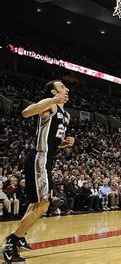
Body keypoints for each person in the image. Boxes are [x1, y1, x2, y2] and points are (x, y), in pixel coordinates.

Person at [2, 80, 73, 262]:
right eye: (62, 86)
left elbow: (51, 138)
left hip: (47, 160)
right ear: (53, 91)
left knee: (36, 205)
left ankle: (18, 235)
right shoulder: (49, 106)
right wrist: (52, 100)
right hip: (38, 158)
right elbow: (26, 112)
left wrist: (63, 143)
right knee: (43, 205)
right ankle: (12, 242)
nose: (67, 89)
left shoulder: (66, 115)